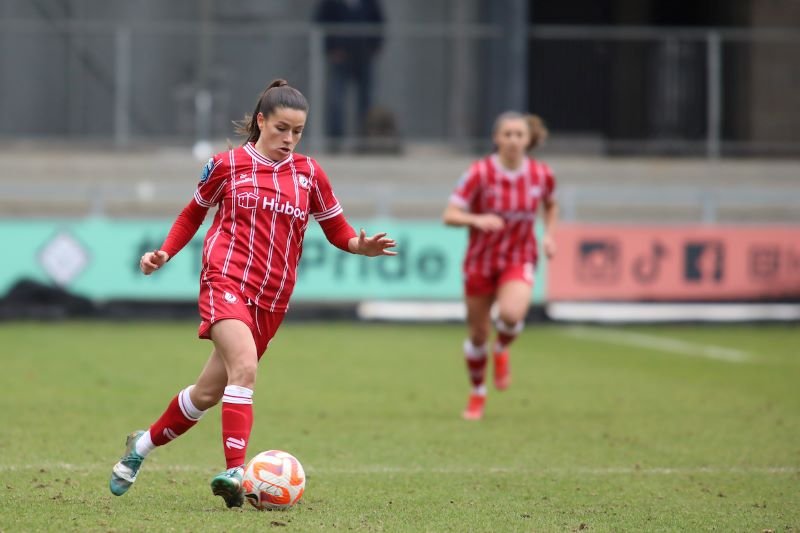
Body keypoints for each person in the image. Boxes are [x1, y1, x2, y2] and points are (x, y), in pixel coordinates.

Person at [109, 79, 397, 508]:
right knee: (244, 367)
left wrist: (361, 245)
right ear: (261, 121)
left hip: (272, 300)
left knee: (206, 394)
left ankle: (141, 447)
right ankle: (236, 471)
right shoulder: (227, 165)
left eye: (298, 131)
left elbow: (337, 230)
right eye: (282, 128)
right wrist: (164, 253)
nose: (289, 139)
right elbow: (192, 215)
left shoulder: (310, 174)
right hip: (224, 280)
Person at [442, 112, 558, 421]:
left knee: (510, 315)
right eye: (507, 134)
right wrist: (476, 218)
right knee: (478, 335)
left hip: (519, 257)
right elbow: (450, 214)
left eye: (519, 135)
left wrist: (548, 236)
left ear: (528, 139)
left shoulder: (541, 174)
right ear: (497, 139)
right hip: (481, 261)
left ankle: (503, 347)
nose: (513, 140)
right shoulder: (479, 173)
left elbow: (551, 203)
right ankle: (478, 392)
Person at [314, 0, 384, 144]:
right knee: (336, 100)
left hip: (364, 57)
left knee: (366, 101)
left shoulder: (370, 3)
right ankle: (335, 141)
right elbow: (320, 23)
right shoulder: (330, 3)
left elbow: (379, 22)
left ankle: (365, 141)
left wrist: (373, 47)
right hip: (340, 58)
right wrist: (331, 49)